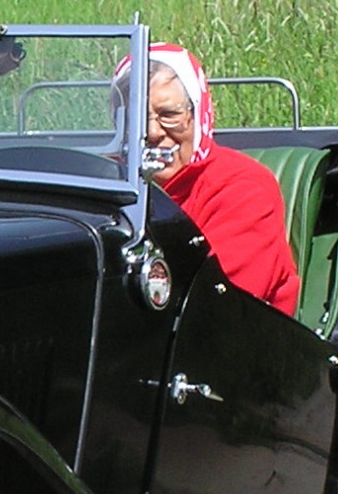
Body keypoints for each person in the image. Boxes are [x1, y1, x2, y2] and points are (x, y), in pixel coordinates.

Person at [126, 44, 300, 317]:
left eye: (169, 115)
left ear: (199, 114)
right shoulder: (107, 184)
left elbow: (218, 304)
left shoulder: (244, 188)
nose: (151, 132)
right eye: (134, 117)